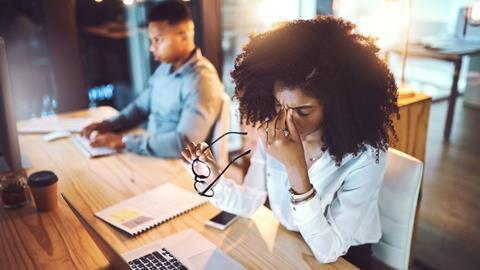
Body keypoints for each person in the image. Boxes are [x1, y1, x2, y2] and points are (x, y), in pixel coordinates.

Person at [181, 17, 399, 269]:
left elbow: (328, 250)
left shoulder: (365, 157)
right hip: (287, 241)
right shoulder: (272, 134)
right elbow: (250, 201)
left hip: (344, 257)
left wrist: (296, 169)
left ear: (338, 107)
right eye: (278, 105)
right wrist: (212, 180)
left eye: (303, 111)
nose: (286, 121)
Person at [81, 0, 224, 158]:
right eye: (151, 41)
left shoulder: (202, 80)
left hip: (177, 165)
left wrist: (125, 142)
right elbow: (140, 107)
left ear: (184, 35)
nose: (151, 48)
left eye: (158, 40)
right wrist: (109, 125)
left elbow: (185, 144)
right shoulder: (164, 69)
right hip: (150, 153)